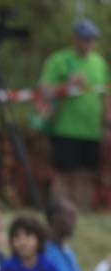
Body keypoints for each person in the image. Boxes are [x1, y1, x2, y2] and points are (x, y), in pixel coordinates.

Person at [39, 19, 109, 210]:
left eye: (92, 40)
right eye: (85, 39)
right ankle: (59, 211)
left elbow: (105, 95)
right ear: (75, 39)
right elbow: (44, 91)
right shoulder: (59, 60)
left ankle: (82, 212)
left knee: (87, 174)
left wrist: (106, 123)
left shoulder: (99, 62)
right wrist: (67, 86)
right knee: (64, 173)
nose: (89, 44)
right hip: (65, 129)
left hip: (91, 130)